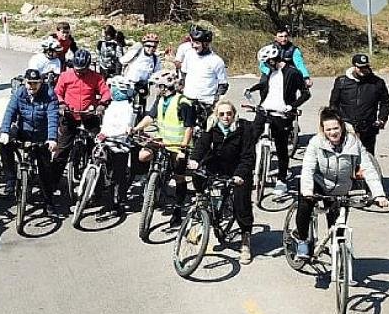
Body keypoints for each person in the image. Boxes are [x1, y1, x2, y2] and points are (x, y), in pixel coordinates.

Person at [293, 108, 389, 259]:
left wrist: (379, 195)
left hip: (342, 188)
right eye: (328, 129)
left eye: (335, 128)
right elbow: (308, 169)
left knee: (337, 225)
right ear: (323, 130)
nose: (333, 132)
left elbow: (368, 169)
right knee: (305, 205)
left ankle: (338, 256)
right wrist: (307, 191)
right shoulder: (316, 143)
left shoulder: (354, 143)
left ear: (342, 127)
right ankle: (303, 239)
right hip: (319, 184)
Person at [187, 100, 256, 264]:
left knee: (241, 203)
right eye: (222, 114)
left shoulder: (244, 128)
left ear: (234, 114)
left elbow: (248, 155)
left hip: (239, 169)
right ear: (217, 115)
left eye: (229, 114)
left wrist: (239, 174)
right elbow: (202, 145)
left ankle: (245, 238)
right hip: (217, 165)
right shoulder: (212, 126)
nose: (226, 117)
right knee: (198, 175)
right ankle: (201, 206)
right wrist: (194, 159)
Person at [131, 69, 196, 226]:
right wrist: (136, 128)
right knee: (142, 156)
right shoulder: (160, 99)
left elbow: (189, 128)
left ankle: (178, 210)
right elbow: (150, 116)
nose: (156, 89)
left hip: (177, 145)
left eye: (158, 86)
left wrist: (183, 149)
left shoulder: (184, 103)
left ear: (165, 86)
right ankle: (153, 180)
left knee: (179, 177)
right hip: (161, 139)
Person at [246, 44, 311, 195]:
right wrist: (252, 89)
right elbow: (267, 85)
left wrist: (292, 106)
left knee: (281, 148)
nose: (265, 66)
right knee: (250, 139)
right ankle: (250, 170)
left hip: (281, 113)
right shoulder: (272, 72)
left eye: (266, 63)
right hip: (264, 110)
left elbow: (306, 94)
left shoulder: (292, 73)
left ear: (272, 60)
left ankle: (282, 180)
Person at [53, 49, 111, 198]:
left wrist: (102, 104)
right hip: (70, 115)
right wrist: (61, 104)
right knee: (62, 150)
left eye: (83, 69)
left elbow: (105, 92)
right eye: (77, 69)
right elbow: (57, 92)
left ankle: (98, 186)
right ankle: (52, 183)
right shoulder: (65, 75)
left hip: (89, 116)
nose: (79, 72)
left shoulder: (96, 77)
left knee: (97, 150)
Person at [0, 69, 58, 211]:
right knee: (3, 143)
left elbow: (52, 117)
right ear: (25, 82)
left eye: (35, 83)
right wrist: (5, 131)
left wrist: (52, 138)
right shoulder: (19, 93)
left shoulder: (49, 94)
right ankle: (10, 179)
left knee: (45, 169)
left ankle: (48, 201)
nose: (32, 86)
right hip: (23, 130)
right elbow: (10, 112)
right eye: (29, 83)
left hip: (41, 134)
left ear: (41, 83)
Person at [329, 53, 389, 155]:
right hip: (346, 127)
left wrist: (382, 119)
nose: (363, 70)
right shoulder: (341, 82)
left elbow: (386, 102)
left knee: (367, 158)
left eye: (365, 67)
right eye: (360, 67)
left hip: (368, 128)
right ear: (354, 66)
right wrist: (336, 122)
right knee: (346, 157)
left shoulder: (377, 82)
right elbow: (333, 104)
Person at [96, 76, 138, 218]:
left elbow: (126, 127)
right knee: (107, 173)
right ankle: (105, 199)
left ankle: (118, 204)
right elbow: (106, 124)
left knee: (118, 176)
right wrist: (102, 133)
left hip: (120, 145)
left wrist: (111, 134)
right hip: (107, 143)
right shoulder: (112, 106)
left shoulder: (128, 108)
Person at [180, 27, 228, 108]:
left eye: (197, 43)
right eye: (192, 42)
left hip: (207, 102)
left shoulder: (216, 61)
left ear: (206, 44)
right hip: (188, 100)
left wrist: (216, 101)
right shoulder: (189, 55)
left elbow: (223, 84)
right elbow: (184, 73)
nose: (194, 45)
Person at [120, 33, 163, 110]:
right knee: (128, 107)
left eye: (154, 47)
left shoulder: (155, 59)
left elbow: (158, 73)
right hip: (130, 84)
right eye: (148, 46)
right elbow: (122, 61)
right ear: (144, 45)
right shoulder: (137, 52)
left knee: (142, 107)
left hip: (143, 85)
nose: (151, 49)